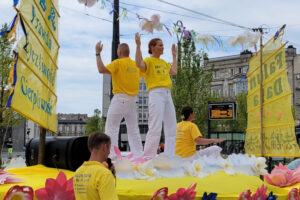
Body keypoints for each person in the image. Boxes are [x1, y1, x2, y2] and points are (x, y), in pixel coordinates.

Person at [95, 41, 143, 160]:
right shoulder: (135, 65)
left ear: (119, 52)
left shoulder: (118, 63)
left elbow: (101, 69)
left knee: (112, 127)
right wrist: (138, 46)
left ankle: (112, 156)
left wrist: (97, 53)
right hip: (133, 101)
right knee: (133, 129)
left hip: (120, 99)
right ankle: (138, 155)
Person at [135, 33, 178, 159]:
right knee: (155, 126)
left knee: (172, 126)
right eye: (160, 45)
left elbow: (174, 71)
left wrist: (174, 56)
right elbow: (139, 64)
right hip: (156, 93)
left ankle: (170, 155)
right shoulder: (149, 61)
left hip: (167, 94)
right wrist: (138, 46)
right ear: (152, 47)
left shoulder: (163, 62)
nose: (162, 47)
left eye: (163, 45)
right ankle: (148, 156)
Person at [73, 132, 118, 200]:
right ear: (104, 147)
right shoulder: (104, 174)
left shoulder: (78, 172)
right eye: (109, 148)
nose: (109, 152)